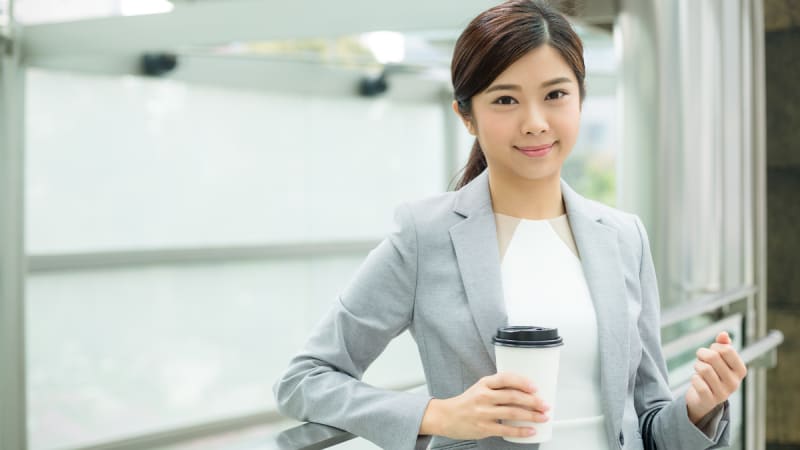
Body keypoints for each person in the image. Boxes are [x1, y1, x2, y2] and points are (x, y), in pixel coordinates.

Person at [273, 1, 748, 449]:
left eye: (556, 94)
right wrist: (437, 415)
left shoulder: (624, 237)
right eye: (505, 100)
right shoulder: (425, 236)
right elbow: (305, 379)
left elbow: (648, 425)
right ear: (467, 115)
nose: (536, 122)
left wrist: (698, 408)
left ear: (580, 99)